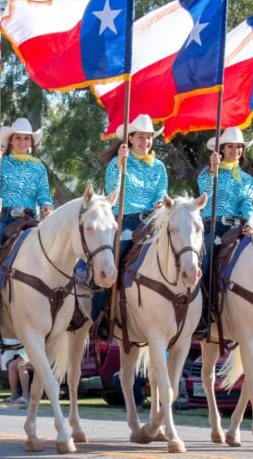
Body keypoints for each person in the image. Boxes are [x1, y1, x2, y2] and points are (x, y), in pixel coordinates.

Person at [92, 114, 169, 339]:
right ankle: (100, 315)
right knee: (109, 264)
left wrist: (160, 200)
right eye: (141, 137)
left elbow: (162, 190)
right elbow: (112, 192)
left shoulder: (159, 167)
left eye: (149, 137)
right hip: (125, 221)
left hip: (152, 222)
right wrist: (118, 165)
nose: (145, 142)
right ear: (131, 139)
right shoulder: (118, 163)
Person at [198, 127, 253, 284]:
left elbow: (246, 203)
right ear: (221, 149)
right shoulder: (206, 173)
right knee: (204, 259)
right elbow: (205, 194)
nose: (235, 150)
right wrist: (212, 170)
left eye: (239, 146)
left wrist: (249, 221)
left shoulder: (247, 180)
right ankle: (200, 297)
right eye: (230, 146)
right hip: (213, 225)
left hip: (237, 228)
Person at [0, 117, 53, 242]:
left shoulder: (39, 168)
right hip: (2, 218)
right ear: (11, 141)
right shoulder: (0, 162)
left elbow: (44, 195)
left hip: (28, 219)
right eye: (18, 137)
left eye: (26, 138)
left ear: (31, 142)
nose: (22, 142)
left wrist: (47, 206)